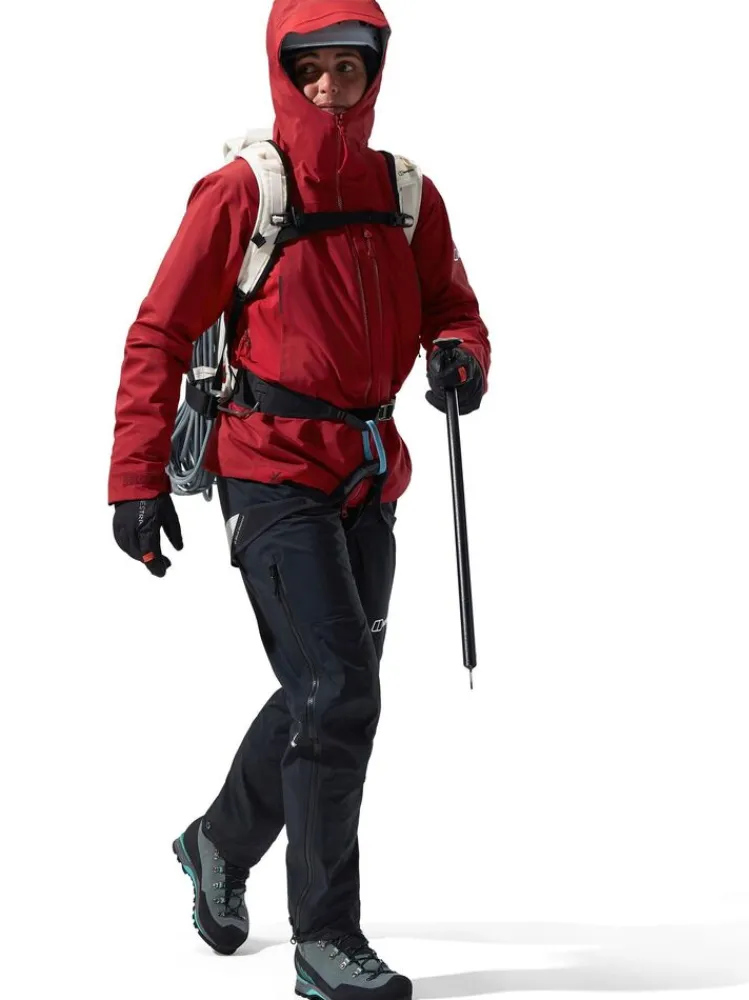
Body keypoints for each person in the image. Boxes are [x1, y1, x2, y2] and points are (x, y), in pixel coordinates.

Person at [107, 1, 490, 996]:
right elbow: (158, 331)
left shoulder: (405, 192)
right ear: (282, 70)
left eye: (347, 68)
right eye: (309, 67)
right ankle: (326, 939)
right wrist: (135, 478)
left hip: (367, 471)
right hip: (269, 468)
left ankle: (217, 842)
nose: (329, 87)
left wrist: (459, 354)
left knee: (329, 687)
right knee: (340, 690)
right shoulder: (243, 191)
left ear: (375, 72)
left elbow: (451, 304)